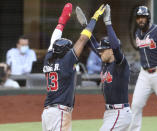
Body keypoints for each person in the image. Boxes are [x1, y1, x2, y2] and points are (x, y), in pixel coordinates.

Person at [41, 2, 105, 131]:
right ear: (65, 51)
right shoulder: (67, 61)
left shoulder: (48, 58)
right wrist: (94, 19)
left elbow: (54, 38)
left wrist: (63, 19)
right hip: (60, 113)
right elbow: (83, 39)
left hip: (47, 114)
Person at [88, 4, 132, 131]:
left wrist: (108, 23)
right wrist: (86, 25)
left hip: (120, 113)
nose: (100, 52)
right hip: (110, 113)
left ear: (111, 51)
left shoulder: (120, 63)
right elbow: (93, 43)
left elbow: (116, 47)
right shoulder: (105, 61)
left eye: (103, 50)